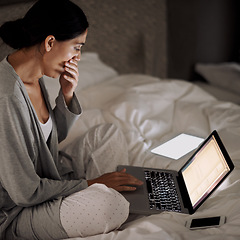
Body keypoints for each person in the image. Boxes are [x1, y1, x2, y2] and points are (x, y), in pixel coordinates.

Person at [0, 0, 143, 239]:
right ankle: (106, 198)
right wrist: (92, 183)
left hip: (50, 176)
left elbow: (49, 139)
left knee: (109, 134)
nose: (78, 57)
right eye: (77, 47)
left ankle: (105, 194)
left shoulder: (33, 76)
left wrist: (66, 94)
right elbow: (25, 192)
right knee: (110, 207)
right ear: (50, 42)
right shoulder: (6, 97)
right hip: (17, 211)